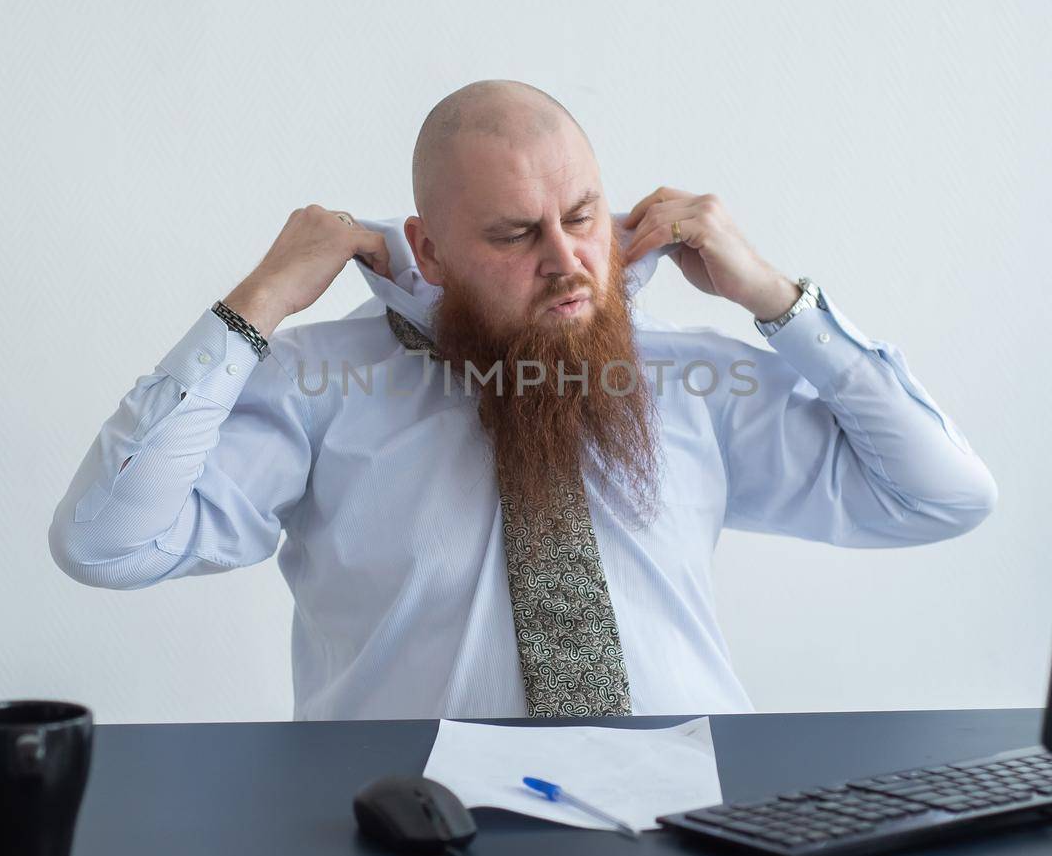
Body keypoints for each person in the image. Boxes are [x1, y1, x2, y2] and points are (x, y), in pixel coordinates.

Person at [48, 79, 997, 720]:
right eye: (513, 235)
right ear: (428, 250)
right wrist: (253, 306)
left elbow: (941, 495)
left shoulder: (693, 379)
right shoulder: (314, 386)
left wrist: (778, 301)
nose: (566, 260)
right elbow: (109, 542)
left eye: (581, 216)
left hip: (689, 845)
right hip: (412, 848)